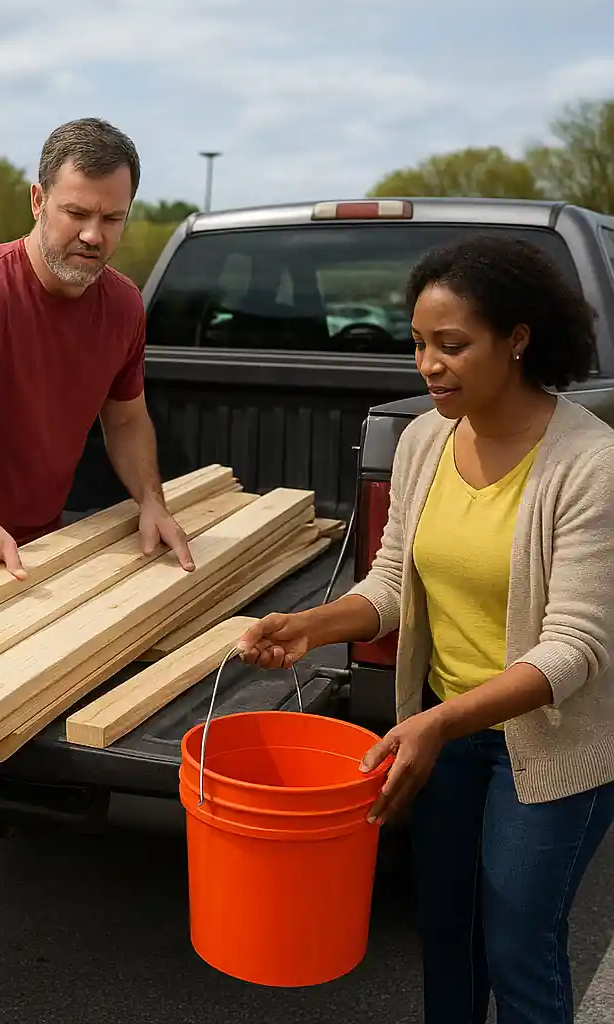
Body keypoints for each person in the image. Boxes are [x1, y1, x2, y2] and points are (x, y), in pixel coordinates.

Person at [238, 234, 614, 1024]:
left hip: (550, 742)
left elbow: (574, 649)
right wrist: (311, 624)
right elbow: (391, 582)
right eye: (418, 344)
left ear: (517, 339)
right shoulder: (423, 440)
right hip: (446, 728)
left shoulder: (591, 463)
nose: (428, 365)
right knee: (448, 931)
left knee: (518, 945)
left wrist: (436, 723)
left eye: (453, 345)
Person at [0, 117, 194, 614]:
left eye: (113, 219)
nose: (93, 235)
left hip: (40, 547)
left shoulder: (125, 305)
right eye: (76, 213)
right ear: (38, 201)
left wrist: (151, 501)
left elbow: (127, 420)